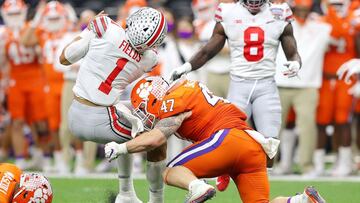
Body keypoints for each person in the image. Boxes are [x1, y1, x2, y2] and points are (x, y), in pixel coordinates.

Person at [104, 76, 325, 203]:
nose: (144, 114)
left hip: (227, 139)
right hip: (251, 146)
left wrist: (121, 147)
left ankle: (197, 188)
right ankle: (302, 200)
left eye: (143, 108)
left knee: (171, 170)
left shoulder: (172, 101)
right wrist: (225, 169)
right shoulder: (187, 87)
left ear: (153, 99)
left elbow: (155, 139)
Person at [169, 0, 301, 188]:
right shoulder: (228, 11)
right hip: (239, 83)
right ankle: (225, 170)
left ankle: (259, 183)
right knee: (227, 136)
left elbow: (292, 49)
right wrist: (187, 66)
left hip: (266, 85)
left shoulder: (279, 12)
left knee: (271, 142)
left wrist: (295, 63)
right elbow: (209, 50)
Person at [59, 7, 167, 203]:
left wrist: (89, 30)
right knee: (155, 139)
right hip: (102, 119)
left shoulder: (107, 27)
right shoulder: (149, 59)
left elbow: (65, 58)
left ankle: (127, 194)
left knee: (131, 118)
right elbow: (142, 53)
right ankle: (151, 199)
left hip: (75, 114)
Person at [274, 0, 332, 175]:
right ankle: (271, 165)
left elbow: (335, 27)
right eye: (298, 9)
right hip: (281, 83)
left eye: (305, 9)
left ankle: (307, 165)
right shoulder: (279, 25)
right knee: (274, 127)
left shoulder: (321, 27)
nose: (302, 13)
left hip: (307, 84)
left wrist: (323, 14)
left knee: (307, 127)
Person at [0, 0, 50, 170]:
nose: (14, 17)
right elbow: (3, 62)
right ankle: (20, 159)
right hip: (15, 80)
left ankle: (43, 156)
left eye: (16, 13)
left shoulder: (32, 27)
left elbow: (37, 50)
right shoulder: (3, 33)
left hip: (36, 77)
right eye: (11, 14)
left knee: (40, 122)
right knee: (17, 122)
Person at [314, 0, 360, 177]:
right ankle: (319, 164)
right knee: (322, 120)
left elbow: (357, 49)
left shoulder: (353, 20)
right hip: (325, 77)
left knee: (343, 120)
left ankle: (345, 162)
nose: (336, 7)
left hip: (346, 78)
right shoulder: (320, 21)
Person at [54, 9, 98, 175]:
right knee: (65, 124)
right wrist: (72, 64)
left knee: (90, 124)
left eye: (90, 19)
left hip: (90, 83)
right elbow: (56, 63)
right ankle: (65, 159)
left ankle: (87, 163)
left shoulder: (101, 39)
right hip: (71, 81)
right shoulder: (68, 37)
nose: (87, 22)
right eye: (85, 19)